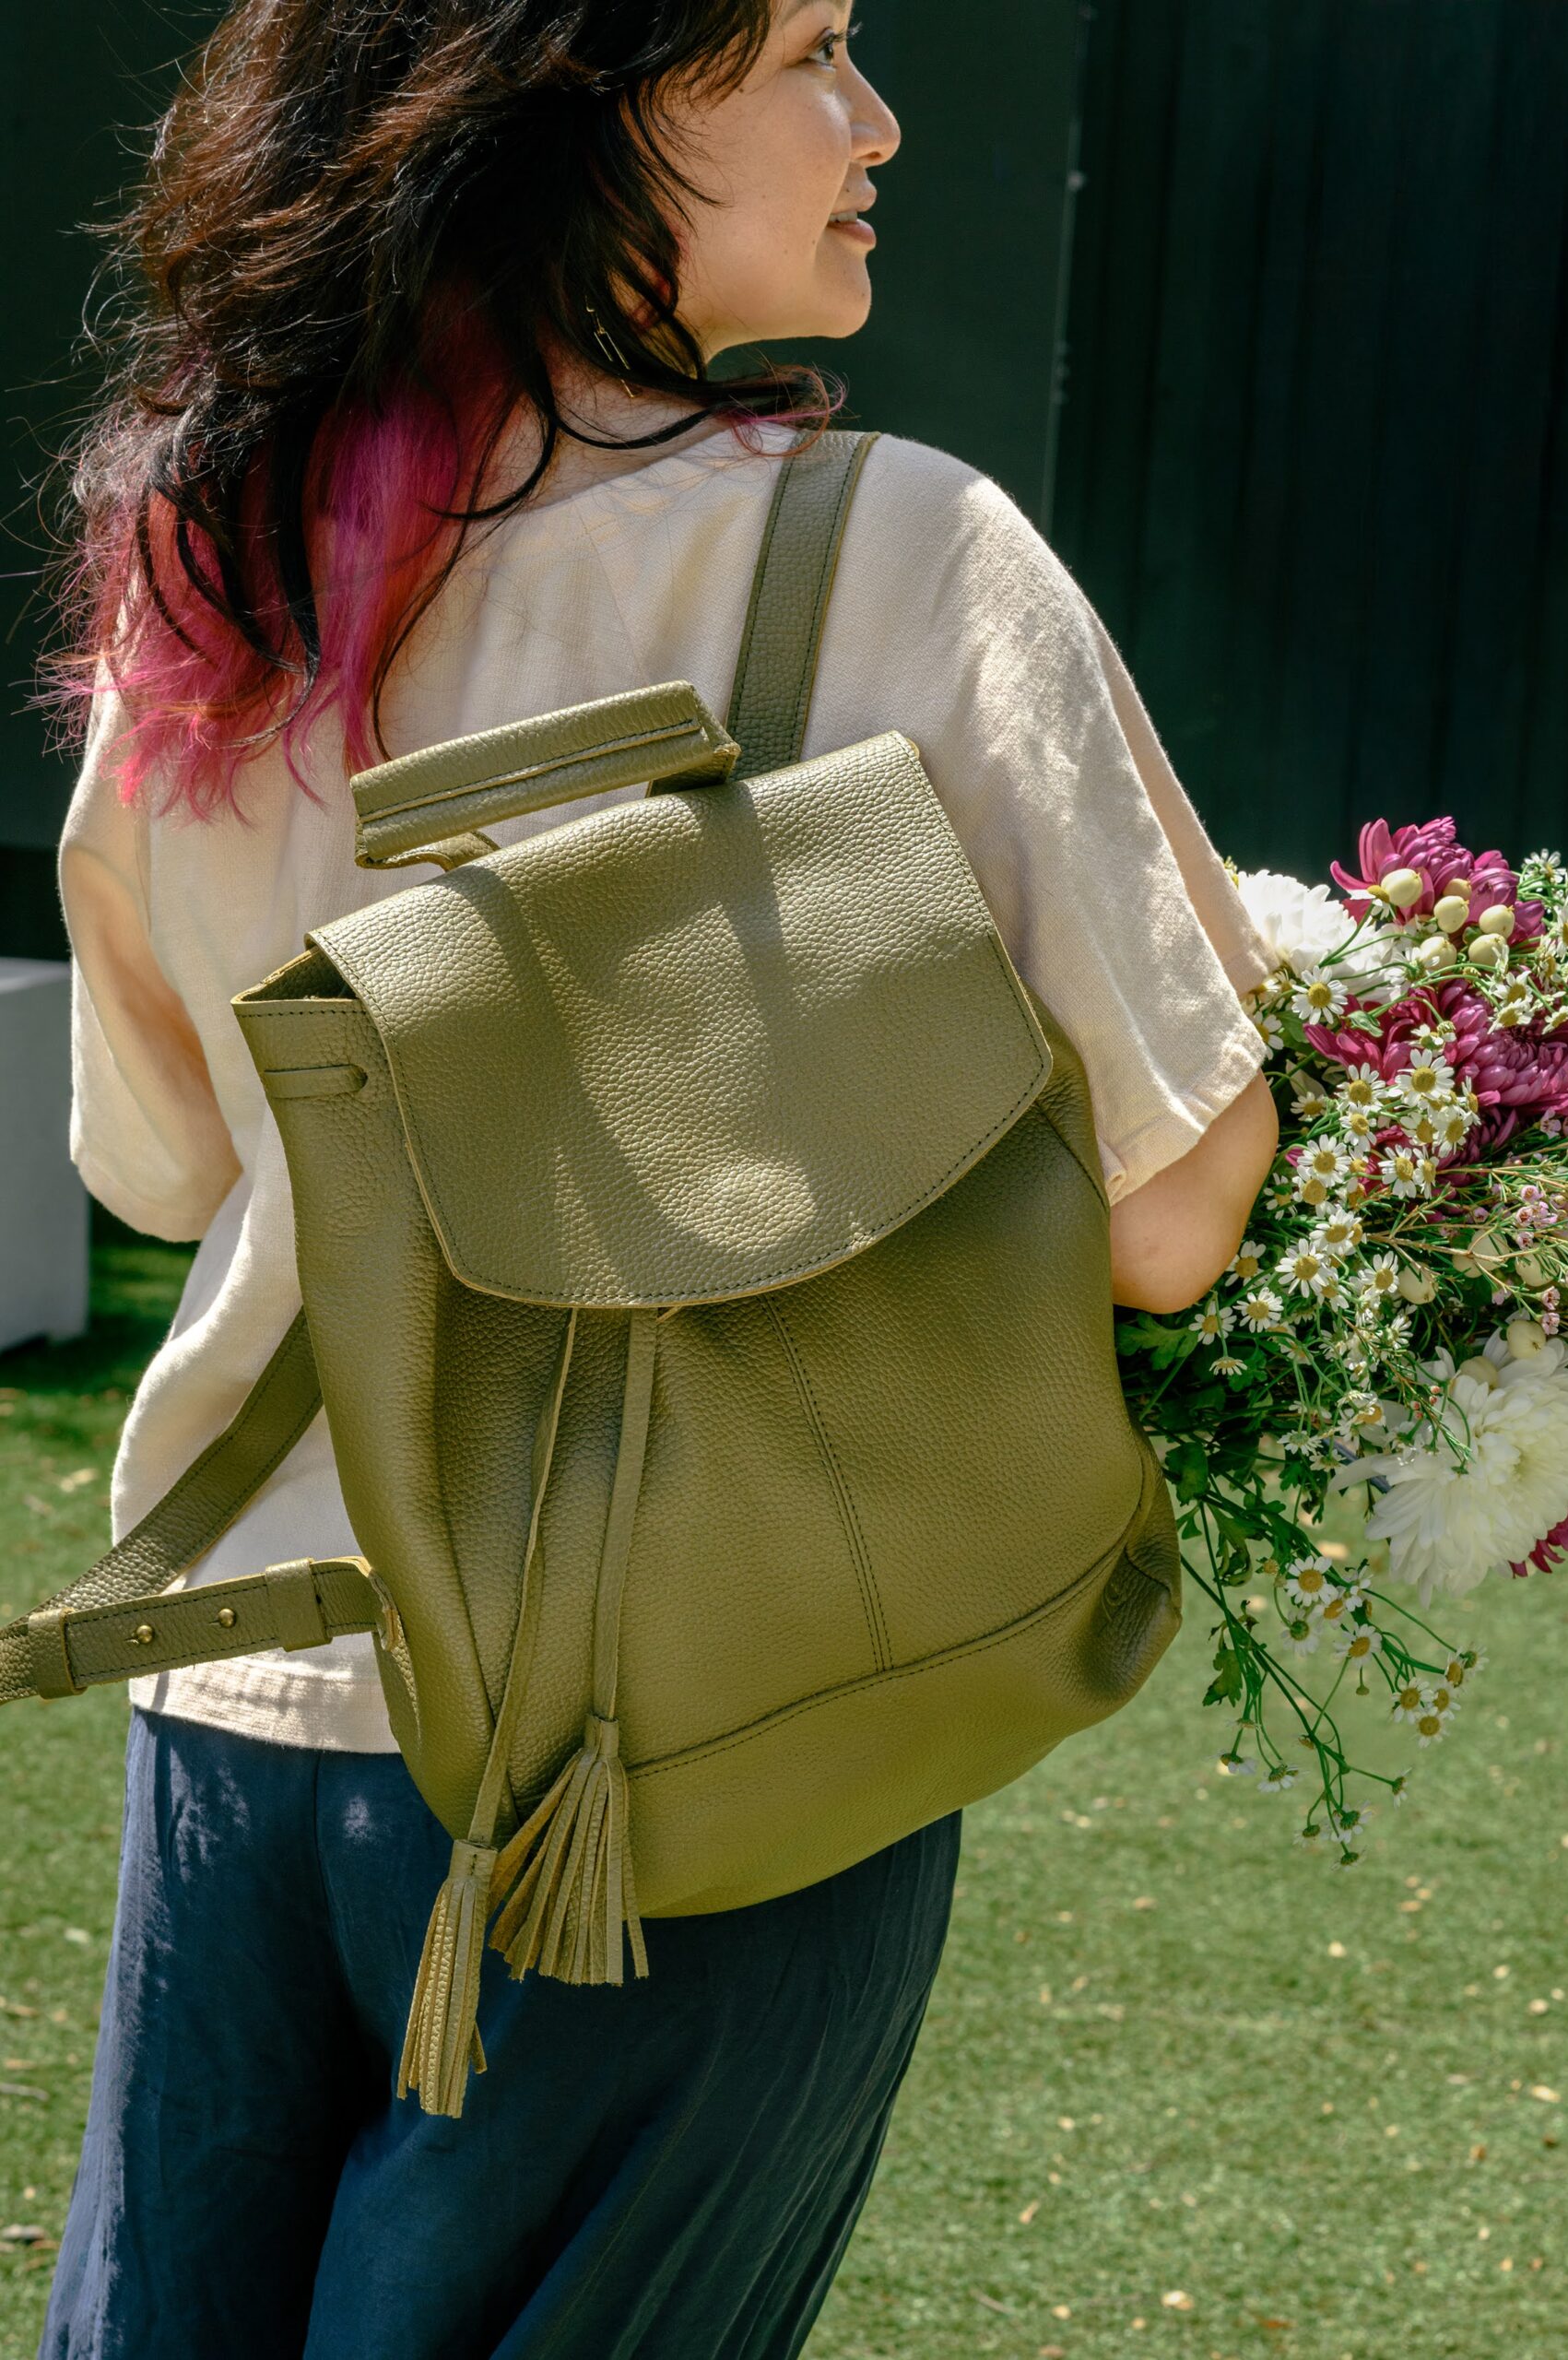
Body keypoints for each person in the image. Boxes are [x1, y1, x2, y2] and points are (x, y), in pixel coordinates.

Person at [41, 3, 1279, 2352]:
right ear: (567, 118)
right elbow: (1165, 1215)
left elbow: (165, 1162)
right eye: (806, 47)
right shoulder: (898, 552)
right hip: (694, 1752)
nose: (875, 121)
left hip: (245, 1695)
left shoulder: (220, 565)